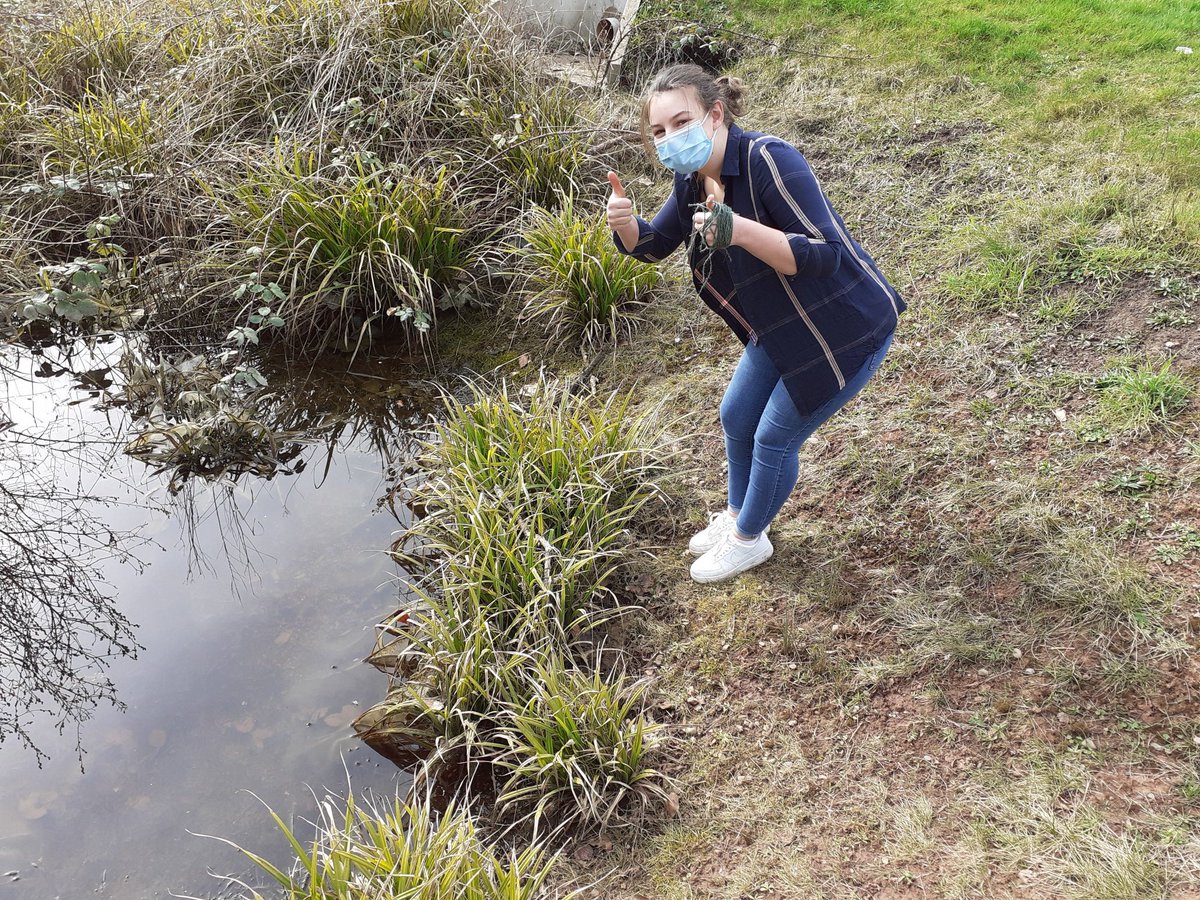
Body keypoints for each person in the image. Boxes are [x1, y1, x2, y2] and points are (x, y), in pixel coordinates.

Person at [606, 63, 905, 584]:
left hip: (843, 325)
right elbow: (654, 245)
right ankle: (737, 515)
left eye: (681, 122)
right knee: (737, 415)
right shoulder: (692, 180)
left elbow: (828, 254)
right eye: (659, 131)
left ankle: (749, 539)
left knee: (773, 438)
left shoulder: (768, 159)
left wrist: (740, 230)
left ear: (715, 114)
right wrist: (627, 225)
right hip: (781, 323)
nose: (670, 139)